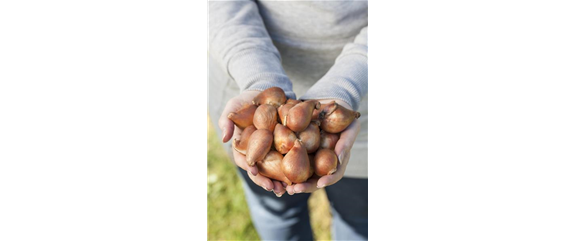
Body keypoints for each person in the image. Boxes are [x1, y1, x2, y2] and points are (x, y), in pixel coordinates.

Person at [208, 1, 368, 240]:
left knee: (361, 219)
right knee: (277, 214)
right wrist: (258, 78)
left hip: (366, 106)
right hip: (244, 77)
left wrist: (345, 87)